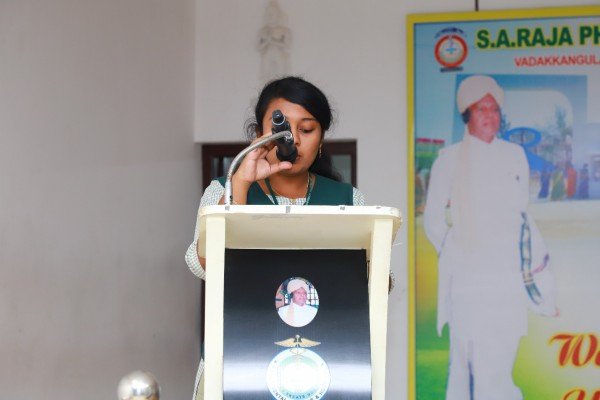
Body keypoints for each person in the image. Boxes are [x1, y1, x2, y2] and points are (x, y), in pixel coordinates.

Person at [185, 76, 365, 400]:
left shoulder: (348, 200)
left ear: (321, 140)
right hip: (236, 361)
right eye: (281, 127)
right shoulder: (222, 191)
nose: (292, 139)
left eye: (306, 129)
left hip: (325, 365)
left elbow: (374, 282)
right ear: (259, 135)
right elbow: (204, 263)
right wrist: (241, 182)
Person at [424, 75, 556, 400]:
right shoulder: (448, 160)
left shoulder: (515, 155)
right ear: (467, 114)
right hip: (468, 283)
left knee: (500, 360)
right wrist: (458, 253)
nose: (490, 116)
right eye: (481, 108)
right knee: (466, 365)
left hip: (507, 278)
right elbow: (433, 220)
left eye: (495, 109)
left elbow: (522, 215)